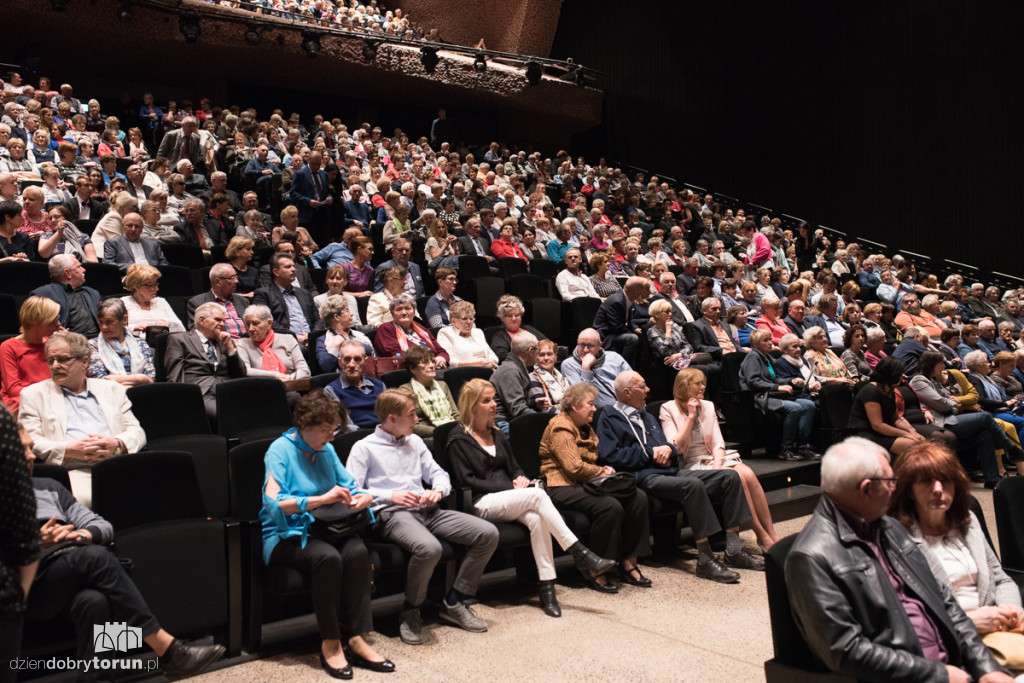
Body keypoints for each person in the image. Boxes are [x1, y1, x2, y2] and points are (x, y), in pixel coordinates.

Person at [785, 437, 1011, 683]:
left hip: (954, 665)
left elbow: (943, 600)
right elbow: (846, 650)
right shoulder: (811, 557)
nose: (896, 487)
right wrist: (939, 674)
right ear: (867, 489)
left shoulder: (887, 527)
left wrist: (986, 667)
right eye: (891, 481)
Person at [23, 439, 225, 677]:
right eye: (23, 448)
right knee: (96, 557)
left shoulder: (50, 487)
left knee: (94, 601)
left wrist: (77, 535)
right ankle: (167, 650)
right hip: (26, 585)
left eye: (30, 447)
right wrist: (35, 541)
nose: (31, 455)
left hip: (67, 568)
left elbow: (102, 525)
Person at [447, 379, 617, 617]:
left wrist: (520, 479)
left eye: (494, 399)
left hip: (508, 499)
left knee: (537, 520)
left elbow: (515, 467)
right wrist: (510, 486)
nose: (493, 405)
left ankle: (547, 589)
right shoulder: (458, 438)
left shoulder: (497, 434)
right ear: (471, 405)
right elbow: (466, 481)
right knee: (537, 495)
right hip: (480, 502)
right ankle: (579, 551)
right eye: (486, 401)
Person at [347, 389, 500, 646]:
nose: (416, 419)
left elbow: (439, 474)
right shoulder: (364, 448)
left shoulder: (415, 442)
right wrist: (389, 496)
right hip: (393, 514)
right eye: (411, 415)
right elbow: (352, 492)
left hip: (428, 510)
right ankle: (411, 609)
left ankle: (455, 600)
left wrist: (437, 490)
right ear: (392, 418)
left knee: (488, 533)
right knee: (429, 548)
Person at [259, 390, 392, 678]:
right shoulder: (279, 451)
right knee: (328, 558)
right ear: (304, 425)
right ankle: (331, 643)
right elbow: (274, 505)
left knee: (356, 551)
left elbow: (349, 485)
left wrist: (362, 498)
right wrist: (320, 500)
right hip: (287, 533)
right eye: (324, 431)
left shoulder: (326, 449)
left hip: (324, 528)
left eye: (333, 431)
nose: (330, 437)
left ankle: (358, 638)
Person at [597, 370, 762, 583]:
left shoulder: (646, 415)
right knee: (692, 485)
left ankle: (733, 550)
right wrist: (651, 454)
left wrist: (667, 450)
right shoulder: (609, 416)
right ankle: (705, 559)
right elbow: (610, 454)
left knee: (729, 477)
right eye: (642, 387)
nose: (648, 390)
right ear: (627, 392)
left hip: (669, 471)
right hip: (643, 476)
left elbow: (669, 446)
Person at [891, 442, 1024, 674]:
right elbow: (903, 614)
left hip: (997, 628)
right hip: (945, 644)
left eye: (946, 480)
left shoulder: (968, 521)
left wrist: (1011, 609)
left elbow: (1000, 578)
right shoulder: (896, 539)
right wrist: (970, 620)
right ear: (908, 489)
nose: (938, 489)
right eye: (925, 481)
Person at [538, 382, 650, 593]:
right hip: (561, 485)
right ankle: (596, 568)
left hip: (585, 482)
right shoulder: (560, 426)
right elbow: (572, 467)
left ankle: (629, 562)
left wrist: (599, 471)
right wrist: (601, 471)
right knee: (609, 506)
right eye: (590, 404)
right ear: (573, 406)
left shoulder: (585, 427)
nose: (594, 408)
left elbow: (587, 462)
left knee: (638, 497)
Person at [19, 331, 147, 506]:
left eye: (63, 359)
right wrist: (69, 449)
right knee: (85, 501)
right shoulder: (34, 395)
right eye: (51, 360)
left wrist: (116, 444)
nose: (55, 366)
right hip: (74, 470)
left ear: (84, 362)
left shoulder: (111, 389)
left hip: (118, 463)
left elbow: (136, 431)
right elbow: (32, 441)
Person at [660, 368, 780, 551]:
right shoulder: (668, 408)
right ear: (684, 386)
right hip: (691, 463)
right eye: (697, 383)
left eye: (703, 383)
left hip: (714, 458)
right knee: (737, 476)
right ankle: (761, 535)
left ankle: (771, 533)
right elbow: (676, 448)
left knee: (747, 473)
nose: (703, 386)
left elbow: (717, 441)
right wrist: (691, 417)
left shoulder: (707, 405)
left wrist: (717, 462)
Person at [909, 350, 1020, 487]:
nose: (944, 367)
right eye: (940, 364)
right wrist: (954, 404)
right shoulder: (919, 380)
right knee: (984, 417)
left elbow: (950, 399)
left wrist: (953, 403)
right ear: (932, 364)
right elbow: (942, 403)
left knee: (984, 434)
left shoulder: (932, 380)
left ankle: (992, 479)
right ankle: (1010, 447)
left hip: (950, 417)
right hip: (940, 422)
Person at [740, 329, 819, 461]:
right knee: (795, 408)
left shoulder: (768, 358)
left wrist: (790, 381)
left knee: (809, 405)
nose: (770, 343)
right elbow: (753, 381)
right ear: (755, 343)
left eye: (770, 339)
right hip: (759, 397)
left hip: (773, 395)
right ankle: (786, 448)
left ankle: (802, 445)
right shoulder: (753, 357)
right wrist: (777, 387)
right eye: (765, 340)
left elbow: (775, 378)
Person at [164, 302, 247, 419]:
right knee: (229, 416)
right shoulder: (180, 339)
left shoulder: (225, 341)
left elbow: (241, 373)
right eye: (218, 320)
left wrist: (230, 348)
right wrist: (183, 400)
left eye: (223, 321)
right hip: (200, 393)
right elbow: (175, 376)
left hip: (228, 391)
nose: (222, 324)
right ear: (202, 320)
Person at [848, 356, 925, 457]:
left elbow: (896, 419)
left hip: (880, 432)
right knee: (913, 445)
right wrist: (905, 434)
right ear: (891, 375)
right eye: (899, 374)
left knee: (922, 439)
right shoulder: (871, 391)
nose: (902, 378)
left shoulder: (889, 390)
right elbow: (877, 425)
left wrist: (912, 431)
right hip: (865, 434)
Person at [1, 296, 61, 415]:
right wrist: (47, 395)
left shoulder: (52, 344)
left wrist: (69, 344)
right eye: (54, 320)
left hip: (53, 397)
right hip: (22, 401)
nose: (58, 323)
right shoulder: (8, 347)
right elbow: (13, 390)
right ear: (40, 322)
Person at [254, 253, 320, 346]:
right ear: (276, 272)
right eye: (288, 267)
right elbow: (267, 322)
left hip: (311, 339)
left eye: (293, 266)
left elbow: (317, 319)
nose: (293, 269)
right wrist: (295, 337)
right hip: (285, 341)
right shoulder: (264, 294)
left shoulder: (304, 293)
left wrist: (312, 336)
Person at [87, 298, 155, 387]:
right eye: (101, 322)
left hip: (141, 393)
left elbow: (150, 377)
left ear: (124, 320)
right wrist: (140, 379)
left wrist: (118, 379)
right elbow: (100, 379)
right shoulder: (92, 345)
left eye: (109, 322)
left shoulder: (140, 343)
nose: (103, 327)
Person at [30, 254, 101, 339]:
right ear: (67, 273)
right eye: (79, 267)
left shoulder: (92, 293)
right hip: (67, 342)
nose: (84, 270)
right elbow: (35, 329)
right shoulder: (43, 294)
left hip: (99, 341)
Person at [561, 328, 633, 408]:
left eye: (590, 346)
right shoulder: (569, 365)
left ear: (599, 346)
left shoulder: (614, 357)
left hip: (627, 406)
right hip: (599, 413)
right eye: (582, 345)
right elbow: (581, 397)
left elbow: (632, 381)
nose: (585, 350)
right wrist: (585, 368)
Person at [237, 304, 311, 382]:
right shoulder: (244, 344)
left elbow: (304, 370)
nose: (250, 329)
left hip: (291, 386)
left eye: (255, 323)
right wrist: (275, 375)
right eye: (248, 324)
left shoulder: (288, 339)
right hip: (260, 388)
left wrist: (289, 378)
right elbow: (245, 370)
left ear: (269, 323)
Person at [398, 345, 458, 438]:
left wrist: (460, 429)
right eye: (425, 362)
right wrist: (441, 431)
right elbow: (413, 425)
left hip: (452, 432)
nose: (431, 366)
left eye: (432, 361)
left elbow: (455, 415)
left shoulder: (443, 385)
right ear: (412, 369)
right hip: (428, 436)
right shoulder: (405, 391)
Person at [324, 340, 385, 429]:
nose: (352, 364)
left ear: (365, 362)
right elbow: (345, 427)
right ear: (340, 362)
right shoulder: (331, 390)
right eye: (347, 359)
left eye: (357, 359)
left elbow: (389, 419)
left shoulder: (380, 386)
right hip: (355, 439)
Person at [374, 294, 450, 365]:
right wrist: (429, 361)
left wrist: (441, 358)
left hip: (432, 367)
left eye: (407, 308)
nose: (404, 312)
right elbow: (395, 354)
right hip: (408, 370)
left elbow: (441, 351)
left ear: (414, 312)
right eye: (399, 309)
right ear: (392, 314)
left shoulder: (422, 329)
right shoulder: (385, 329)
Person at [593, 276, 650, 367]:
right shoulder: (617, 301)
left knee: (642, 335)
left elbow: (629, 321)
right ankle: (625, 368)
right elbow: (616, 327)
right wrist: (632, 332)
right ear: (635, 291)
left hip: (616, 331)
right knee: (632, 338)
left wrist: (635, 329)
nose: (641, 293)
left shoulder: (628, 299)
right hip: (606, 334)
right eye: (640, 290)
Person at [491, 331, 543, 430]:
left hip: (512, 419)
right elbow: (517, 409)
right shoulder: (510, 371)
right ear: (531, 351)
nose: (538, 354)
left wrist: (533, 403)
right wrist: (545, 420)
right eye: (537, 350)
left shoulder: (515, 367)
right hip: (503, 423)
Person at [186, 263, 249, 338]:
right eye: (232, 278)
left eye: (236, 277)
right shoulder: (197, 303)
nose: (236, 281)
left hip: (248, 345)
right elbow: (196, 332)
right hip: (221, 346)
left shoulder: (243, 301)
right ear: (217, 282)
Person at [121, 264, 186, 336]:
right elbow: (114, 329)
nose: (156, 289)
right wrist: (133, 328)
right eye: (151, 285)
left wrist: (167, 323)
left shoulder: (161, 302)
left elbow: (181, 329)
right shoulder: (123, 303)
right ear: (137, 286)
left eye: (156, 284)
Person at [316, 295, 373, 373]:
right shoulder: (322, 340)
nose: (351, 314)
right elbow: (326, 366)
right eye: (347, 311)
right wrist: (334, 347)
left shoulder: (359, 335)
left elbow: (374, 356)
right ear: (336, 317)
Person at [436, 301, 498, 369]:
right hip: (462, 372)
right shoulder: (446, 333)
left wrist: (492, 362)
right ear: (453, 321)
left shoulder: (478, 332)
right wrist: (475, 364)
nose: (469, 322)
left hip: (487, 369)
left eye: (471, 319)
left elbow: (492, 355)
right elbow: (448, 360)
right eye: (464, 319)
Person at [102, 211, 168, 273]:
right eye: (130, 225)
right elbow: (108, 263)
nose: (133, 229)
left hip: (153, 276)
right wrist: (136, 268)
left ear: (142, 228)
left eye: (137, 226)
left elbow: (164, 263)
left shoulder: (153, 244)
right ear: (122, 226)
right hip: (128, 276)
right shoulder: (113, 243)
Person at [490, 295, 546, 364]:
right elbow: (502, 356)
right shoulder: (500, 336)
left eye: (517, 315)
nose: (514, 319)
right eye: (509, 316)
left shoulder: (529, 329)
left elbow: (548, 344)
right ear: (502, 318)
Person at [527, 339, 571, 413]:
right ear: (535, 357)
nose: (546, 358)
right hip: (552, 419)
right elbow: (544, 409)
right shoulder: (533, 378)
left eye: (549, 354)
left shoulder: (560, 376)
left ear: (555, 356)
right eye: (542, 355)